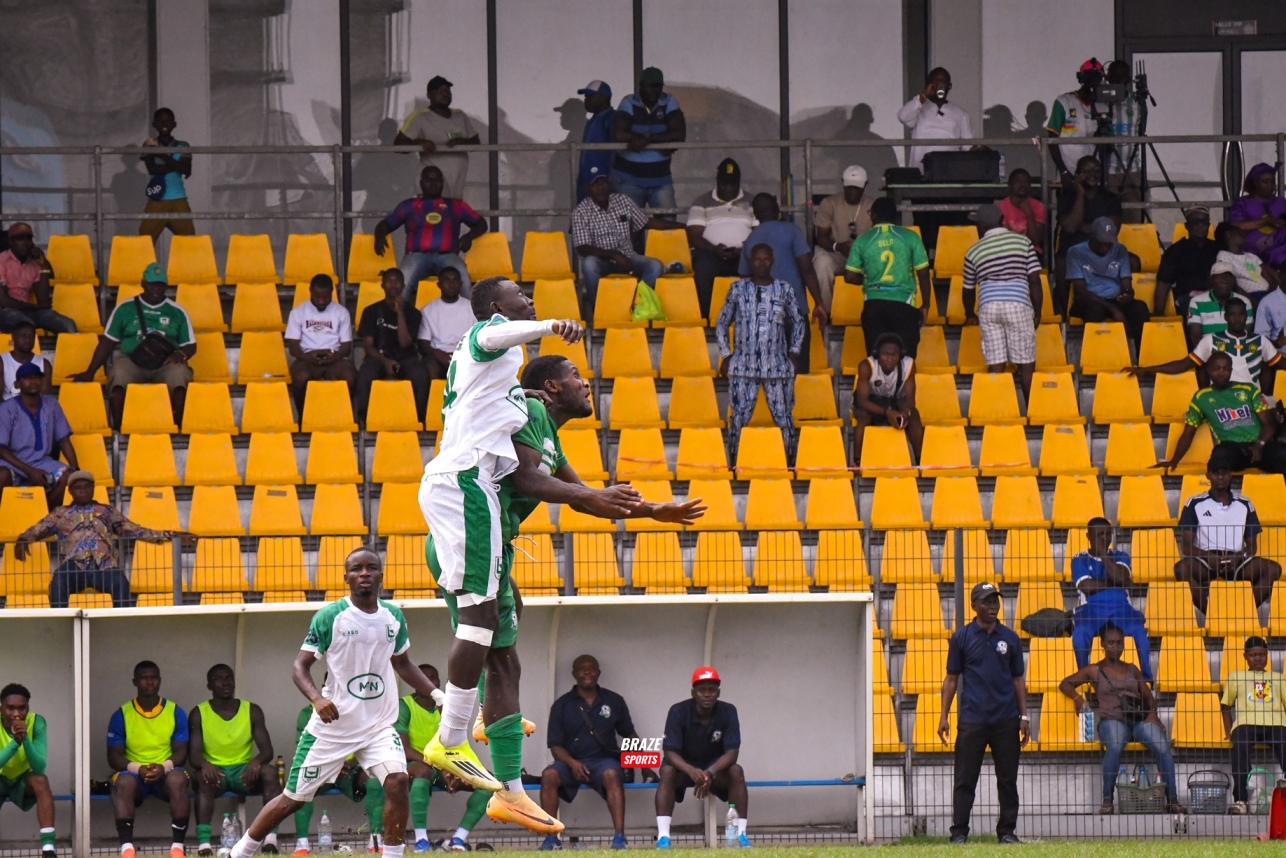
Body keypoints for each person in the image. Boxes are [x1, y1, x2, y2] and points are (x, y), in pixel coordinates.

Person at [423, 354, 698, 847]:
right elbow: (528, 480)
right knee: (496, 651)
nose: (585, 383)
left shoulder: (549, 431)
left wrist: (655, 510)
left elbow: (584, 495)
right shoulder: (530, 411)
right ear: (551, 385)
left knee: (506, 646)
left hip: (490, 542)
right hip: (468, 533)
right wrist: (599, 498)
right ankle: (464, 745)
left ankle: (495, 753)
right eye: (575, 376)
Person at [417, 276, 590, 814]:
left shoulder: (500, 378)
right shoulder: (487, 334)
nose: (528, 297)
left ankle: (490, 748)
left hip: (465, 487)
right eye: (519, 293)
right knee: (481, 621)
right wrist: (548, 326)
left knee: (498, 630)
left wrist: (525, 393)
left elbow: (489, 397)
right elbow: (492, 336)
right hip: (466, 485)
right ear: (496, 306)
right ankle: (450, 738)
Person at [223, 548, 442, 858]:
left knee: (397, 781)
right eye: (357, 569)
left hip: (378, 725)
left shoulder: (393, 617)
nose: (364, 573)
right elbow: (299, 667)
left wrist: (438, 695)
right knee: (293, 799)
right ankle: (240, 852)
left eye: (371, 568)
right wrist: (317, 699)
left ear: (381, 575)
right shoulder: (331, 616)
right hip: (333, 729)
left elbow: (403, 663)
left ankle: (392, 855)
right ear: (346, 577)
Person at [1058, 626, 1183, 815]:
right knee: (1115, 746)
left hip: (1138, 720)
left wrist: (1152, 714)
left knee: (1162, 746)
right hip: (1111, 720)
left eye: (1119, 643)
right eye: (1111, 643)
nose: (1116, 647)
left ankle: (1172, 800)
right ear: (1102, 644)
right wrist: (1078, 699)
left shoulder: (1132, 669)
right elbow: (1065, 683)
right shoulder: (1094, 670)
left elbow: (1149, 698)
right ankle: (1107, 801)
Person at [939, 582, 1028, 845]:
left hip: (1005, 719)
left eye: (995, 601)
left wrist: (1024, 716)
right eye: (986, 602)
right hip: (972, 720)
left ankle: (1007, 832)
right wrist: (944, 716)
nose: (992, 606)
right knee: (965, 780)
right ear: (973, 606)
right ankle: (959, 833)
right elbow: (951, 679)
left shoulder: (1010, 638)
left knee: (1008, 780)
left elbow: (1018, 680)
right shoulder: (961, 638)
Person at [539, 655, 656, 851]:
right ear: (574, 674)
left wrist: (644, 764)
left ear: (598, 672)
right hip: (571, 762)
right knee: (549, 775)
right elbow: (555, 746)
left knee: (612, 774)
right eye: (582, 668)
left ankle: (619, 838)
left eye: (592, 668)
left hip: (603, 761)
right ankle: (551, 838)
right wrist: (572, 764)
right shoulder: (561, 705)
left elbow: (629, 734)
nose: (587, 671)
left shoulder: (614, 700)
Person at [15, 470, 175, 608]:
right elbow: (39, 529)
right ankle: (61, 627)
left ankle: (122, 627)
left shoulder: (107, 511)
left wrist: (168, 535)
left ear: (93, 488)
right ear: (70, 491)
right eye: (78, 487)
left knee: (121, 583)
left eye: (87, 486)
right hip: (74, 565)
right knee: (58, 582)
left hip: (104, 564)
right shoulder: (60, 513)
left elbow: (133, 529)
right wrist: (23, 539)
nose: (83, 490)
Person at [73, 263, 197, 430]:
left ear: (166, 286)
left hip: (165, 363)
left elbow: (191, 345)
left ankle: (177, 426)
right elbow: (107, 342)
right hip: (133, 361)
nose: (156, 289)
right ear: (143, 283)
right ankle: (119, 427)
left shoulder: (177, 311)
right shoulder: (125, 308)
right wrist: (90, 371)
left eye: (160, 285)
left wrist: (180, 354)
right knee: (118, 373)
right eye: (152, 284)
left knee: (180, 374)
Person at [717, 243, 804, 466]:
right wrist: (726, 355)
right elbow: (722, 322)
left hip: (777, 366)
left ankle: (789, 465)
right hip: (743, 367)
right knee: (738, 419)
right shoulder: (737, 289)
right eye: (757, 259)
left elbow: (798, 321)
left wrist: (794, 352)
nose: (762, 263)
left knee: (784, 418)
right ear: (750, 261)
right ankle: (734, 465)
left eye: (766, 259)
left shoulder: (784, 289)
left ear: (772, 261)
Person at [188, 665, 282, 857]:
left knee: (270, 773)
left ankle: (271, 839)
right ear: (209, 685)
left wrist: (256, 762)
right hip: (216, 774)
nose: (225, 682)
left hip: (243, 773)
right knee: (202, 777)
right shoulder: (199, 713)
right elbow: (194, 756)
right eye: (219, 678)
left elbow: (267, 751)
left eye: (229, 677)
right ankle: (204, 845)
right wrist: (205, 764)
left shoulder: (251, 710)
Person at [1174, 448, 1281, 615]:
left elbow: (1252, 546)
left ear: (1230, 475)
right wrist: (1210, 557)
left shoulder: (1245, 503)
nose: (1220, 477)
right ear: (1208, 475)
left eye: (1224, 472)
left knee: (1273, 569)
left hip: (1237, 559)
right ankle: (1211, 614)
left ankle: (1244, 613)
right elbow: (1187, 547)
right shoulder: (1194, 503)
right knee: (1182, 569)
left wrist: (1238, 556)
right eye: (1215, 472)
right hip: (1206, 559)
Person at [655, 667, 749, 849]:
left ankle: (740, 835)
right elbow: (669, 751)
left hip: (715, 769)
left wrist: (709, 772)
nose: (707, 694)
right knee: (666, 771)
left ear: (718, 693)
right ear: (693, 693)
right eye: (702, 690)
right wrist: (691, 771)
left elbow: (732, 753)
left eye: (711, 690)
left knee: (736, 771)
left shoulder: (728, 711)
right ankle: (663, 837)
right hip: (684, 769)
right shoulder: (678, 711)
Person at [107, 660, 191, 858]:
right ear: (135, 682)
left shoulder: (175, 711)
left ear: (160, 680)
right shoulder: (122, 714)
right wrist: (138, 769)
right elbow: (113, 756)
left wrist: (163, 767)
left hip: (166, 772)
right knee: (124, 782)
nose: (150, 682)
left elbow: (181, 752)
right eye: (144, 678)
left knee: (178, 779)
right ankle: (127, 849)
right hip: (134, 773)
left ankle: (177, 848)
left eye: (153, 678)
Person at [961, 203, 1043, 401]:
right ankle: (1031, 410)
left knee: (996, 363)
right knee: (1025, 363)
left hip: (989, 306)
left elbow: (968, 289)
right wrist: (1037, 311)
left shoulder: (973, 251)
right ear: (1001, 220)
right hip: (1017, 304)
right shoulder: (1023, 243)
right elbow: (1034, 280)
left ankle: (997, 410)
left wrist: (970, 313)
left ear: (982, 225)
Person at [1159, 352, 1286, 475]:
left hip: (1261, 445)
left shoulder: (1249, 390)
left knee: (1283, 453)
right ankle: (1220, 491)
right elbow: (1189, 432)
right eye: (1217, 368)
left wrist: (1259, 445)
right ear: (1208, 370)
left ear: (1231, 370)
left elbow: (1269, 424)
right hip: (1233, 449)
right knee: (1219, 457)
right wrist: (1174, 461)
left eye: (1226, 368)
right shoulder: (1201, 398)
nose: (1221, 372)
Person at [741, 193, 829, 372]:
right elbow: (807, 269)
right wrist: (819, 302)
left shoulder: (750, 240)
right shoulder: (792, 230)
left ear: (755, 214)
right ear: (777, 209)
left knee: (771, 371)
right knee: (799, 370)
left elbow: (745, 280)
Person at [374, 165, 487, 303]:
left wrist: (469, 236)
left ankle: (470, 316)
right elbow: (385, 224)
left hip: (448, 256)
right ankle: (398, 316)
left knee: (463, 278)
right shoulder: (409, 206)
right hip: (416, 256)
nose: (433, 184)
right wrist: (379, 236)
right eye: (428, 180)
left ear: (442, 183)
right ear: (421, 183)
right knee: (402, 280)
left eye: (437, 180)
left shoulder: (456, 205)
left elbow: (481, 224)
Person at [288, 699, 385, 855]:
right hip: (321, 767)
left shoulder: (358, 710)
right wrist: (331, 766)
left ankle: (376, 840)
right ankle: (302, 844)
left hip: (349, 768)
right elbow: (304, 750)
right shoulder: (307, 713)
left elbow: (369, 744)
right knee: (302, 784)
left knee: (375, 780)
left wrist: (350, 763)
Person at [571, 174, 684, 306]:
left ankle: (636, 304)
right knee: (589, 264)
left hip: (629, 257)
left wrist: (684, 227)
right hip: (602, 261)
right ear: (587, 188)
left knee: (655, 266)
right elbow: (583, 248)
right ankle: (598, 309)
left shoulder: (623, 201)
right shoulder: (580, 212)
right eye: (596, 184)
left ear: (609, 183)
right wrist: (614, 255)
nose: (601, 187)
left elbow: (646, 222)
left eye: (603, 182)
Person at [1131, 299, 1278, 393]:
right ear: (1225, 317)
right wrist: (1147, 370)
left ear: (1246, 317)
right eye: (1232, 314)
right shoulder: (1211, 340)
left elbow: (1280, 363)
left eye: (1241, 315)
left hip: (1252, 398)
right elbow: (1184, 364)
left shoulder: (1260, 341)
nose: (1237, 319)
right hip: (1222, 398)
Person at [845, 196, 930, 358]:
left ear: (874, 215)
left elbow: (849, 276)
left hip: (873, 304)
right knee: (907, 360)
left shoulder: (862, 240)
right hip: (904, 304)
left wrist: (869, 280)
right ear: (895, 216)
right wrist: (926, 304)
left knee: (876, 358)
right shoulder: (911, 237)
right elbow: (924, 274)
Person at [1069, 518, 1151, 679]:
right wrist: (1117, 582)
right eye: (1099, 534)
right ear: (1088, 536)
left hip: (1121, 608)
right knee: (1080, 634)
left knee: (1139, 632)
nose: (1104, 538)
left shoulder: (1120, 555)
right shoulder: (1079, 559)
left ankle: (1147, 680)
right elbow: (1087, 586)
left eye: (1107, 534)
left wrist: (1104, 556)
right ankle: (1084, 679)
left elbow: (1120, 576)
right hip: (1091, 610)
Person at [1221, 636, 1286, 815]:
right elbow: (1225, 706)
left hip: (1276, 723)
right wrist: (1229, 732)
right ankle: (1241, 800)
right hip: (1246, 723)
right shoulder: (1236, 676)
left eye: (1262, 655)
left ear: (1267, 655)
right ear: (1245, 656)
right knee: (1239, 747)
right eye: (1253, 655)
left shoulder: (1278, 678)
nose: (1258, 658)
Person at [355, 269, 429, 424]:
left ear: (403, 285)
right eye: (389, 281)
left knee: (420, 375)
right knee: (365, 375)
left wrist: (400, 313)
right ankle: (364, 420)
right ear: (382, 285)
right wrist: (385, 361)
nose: (393, 285)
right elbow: (368, 345)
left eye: (397, 281)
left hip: (406, 357)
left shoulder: (413, 313)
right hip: (378, 356)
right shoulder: (371, 311)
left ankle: (419, 420)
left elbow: (405, 342)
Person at [687, 158, 756, 319]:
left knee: (758, 264)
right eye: (724, 184)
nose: (729, 189)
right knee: (703, 268)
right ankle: (706, 319)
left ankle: (751, 318)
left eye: (733, 184)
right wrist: (714, 249)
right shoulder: (702, 201)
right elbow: (693, 236)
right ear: (717, 181)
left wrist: (743, 248)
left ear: (739, 182)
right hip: (711, 253)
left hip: (743, 253)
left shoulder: (752, 201)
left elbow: (760, 232)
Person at [0, 363, 77, 506]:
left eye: (36, 377)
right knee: (1, 476)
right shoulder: (6, 409)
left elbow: (64, 440)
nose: (33, 381)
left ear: (42, 381)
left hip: (43, 462)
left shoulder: (51, 404)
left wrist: (75, 469)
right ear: (18, 384)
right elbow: (1, 449)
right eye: (27, 378)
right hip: (13, 463)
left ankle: (43, 515)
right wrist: (30, 471)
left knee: (69, 478)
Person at [1066, 216, 1150, 346]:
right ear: (1092, 236)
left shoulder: (1120, 250)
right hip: (1090, 299)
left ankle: (1141, 354)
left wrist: (1127, 294)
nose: (1106, 245)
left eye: (1109, 242)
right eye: (1102, 241)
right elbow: (1081, 291)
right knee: (1095, 311)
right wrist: (1113, 310)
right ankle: (1095, 353)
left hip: (1115, 299)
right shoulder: (1075, 252)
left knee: (1140, 308)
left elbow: (1126, 283)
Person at [610, 67, 686, 210]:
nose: (655, 90)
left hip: (660, 180)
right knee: (629, 223)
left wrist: (647, 139)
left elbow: (679, 135)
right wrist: (661, 141)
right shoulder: (629, 101)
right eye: (651, 86)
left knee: (668, 222)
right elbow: (619, 134)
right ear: (641, 85)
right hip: (628, 179)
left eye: (658, 86)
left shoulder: (669, 101)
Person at [1055, 155, 1123, 312]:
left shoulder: (1110, 198)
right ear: (1078, 174)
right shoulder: (1067, 197)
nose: (1092, 174)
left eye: (1096, 170)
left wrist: (1084, 226)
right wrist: (1080, 194)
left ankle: (1118, 306)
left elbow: (1111, 228)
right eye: (1086, 170)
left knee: (1132, 261)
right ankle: (1062, 317)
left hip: (1103, 250)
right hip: (1073, 251)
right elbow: (1070, 227)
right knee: (1062, 264)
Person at [395, 76, 480, 199]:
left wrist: (462, 141)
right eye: (440, 91)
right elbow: (398, 144)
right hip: (431, 186)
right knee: (432, 211)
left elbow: (476, 143)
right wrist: (419, 143)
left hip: (456, 183)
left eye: (447, 90)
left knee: (451, 211)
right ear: (429, 95)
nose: (445, 94)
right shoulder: (419, 117)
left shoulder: (460, 115)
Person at [395, 663, 449, 852]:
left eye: (434, 677)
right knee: (421, 775)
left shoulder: (446, 706)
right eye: (424, 677)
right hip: (414, 764)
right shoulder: (404, 706)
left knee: (486, 783)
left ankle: (459, 839)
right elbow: (404, 749)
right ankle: (421, 840)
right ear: (415, 682)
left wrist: (452, 767)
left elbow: (455, 742)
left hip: (443, 764)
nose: (430, 681)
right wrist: (436, 763)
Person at [284, 274, 354, 416]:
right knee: (300, 377)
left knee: (350, 376)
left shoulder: (341, 312)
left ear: (332, 292)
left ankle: (344, 416)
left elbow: (346, 347)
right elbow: (293, 348)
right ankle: (303, 417)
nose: (321, 301)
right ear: (310, 291)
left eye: (325, 297)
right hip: (306, 358)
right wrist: (308, 357)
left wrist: (335, 356)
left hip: (335, 358)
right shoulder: (297, 312)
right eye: (317, 297)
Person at [0, 683, 55, 857]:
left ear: (28, 708)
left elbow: (39, 767)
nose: (16, 714)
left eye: (21, 708)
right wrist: (15, 743)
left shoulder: (36, 721)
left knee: (40, 780)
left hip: (21, 781)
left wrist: (24, 740)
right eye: (10, 708)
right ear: (1, 709)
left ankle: (48, 850)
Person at [852, 333, 923, 465]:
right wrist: (887, 412)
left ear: (900, 355)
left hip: (896, 399)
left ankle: (920, 461)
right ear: (877, 354)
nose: (889, 359)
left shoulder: (909, 365)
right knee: (863, 417)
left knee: (914, 415)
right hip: (871, 401)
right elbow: (862, 402)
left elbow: (910, 400)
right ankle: (857, 461)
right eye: (885, 354)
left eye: (893, 355)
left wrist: (905, 413)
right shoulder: (866, 366)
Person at [812, 165, 874, 304]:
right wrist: (838, 246)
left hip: (865, 256)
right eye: (849, 187)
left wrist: (861, 252)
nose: (852, 191)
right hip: (837, 254)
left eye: (856, 188)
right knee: (822, 263)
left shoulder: (872, 205)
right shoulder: (829, 203)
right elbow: (820, 237)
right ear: (843, 183)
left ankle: (874, 308)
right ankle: (825, 310)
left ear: (865, 185)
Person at [0, 223, 76, 334]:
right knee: (26, 325)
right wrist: (34, 307)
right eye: (20, 239)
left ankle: (70, 346)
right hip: (5, 313)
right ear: (11, 242)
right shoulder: (2, 261)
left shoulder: (34, 263)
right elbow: (4, 301)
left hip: (29, 312)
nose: (25, 243)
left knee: (69, 325)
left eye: (28, 239)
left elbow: (43, 301)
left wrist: (43, 266)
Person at [897, 67, 974, 170]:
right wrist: (924, 95)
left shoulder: (961, 113)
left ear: (949, 85)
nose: (939, 85)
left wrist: (979, 149)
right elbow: (903, 116)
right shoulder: (918, 108)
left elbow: (968, 145)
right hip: (921, 170)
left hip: (949, 171)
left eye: (943, 81)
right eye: (935, 81)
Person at [1047, 60, 1110, 182]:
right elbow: (1052, 139)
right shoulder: (1064, 101)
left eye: (1096, 77)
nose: (1093, 82)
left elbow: (1109, 143)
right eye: (1089, 77)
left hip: (1094, 175)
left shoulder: (1104, 105)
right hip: (1069, 171)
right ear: (1081, 78)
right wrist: (1063, 171)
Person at [138, 108, 194, 242]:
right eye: (160, 121)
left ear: (174, 124)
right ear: (154, 124)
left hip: (179, 200)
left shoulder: (183, 145)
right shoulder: (149, 144)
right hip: (157, 200)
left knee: (190, 243)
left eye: (168, 121)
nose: (164, 124)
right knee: (144, 242)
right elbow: (152, 169)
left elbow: (187, 170)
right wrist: (177, 166)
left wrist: (162, 155)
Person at [1155, 206, 1219, 317]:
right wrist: (1159, 312)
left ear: (1208, 225)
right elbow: (1164, 283)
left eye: (1204, 222)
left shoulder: (1217, 249)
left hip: (1214, 297)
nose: (1200, 225)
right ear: (1187, 226)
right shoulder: (1175, 251)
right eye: (1195, 222)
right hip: (1187, 298)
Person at [416, 267, 475, 380]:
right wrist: (437, 353)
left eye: (455, 280)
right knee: (430, 366)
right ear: (439, 285)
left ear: (461, 284)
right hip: (438, 356)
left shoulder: (472, 308)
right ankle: (434, 392)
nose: (451, 284)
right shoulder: (428, 310)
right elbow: (423, 343)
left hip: (464, 356)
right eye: (447, 280)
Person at [1103, 60, 1143, 223]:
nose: (1119, 80)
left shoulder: (1137, 103)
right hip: (1107, 170)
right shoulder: (1101, 101)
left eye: (1122, 76)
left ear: (1128, 79)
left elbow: (1141, 130)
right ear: (1108, 78)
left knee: (1134, 219)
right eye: (1115, 77)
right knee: (1108, 222)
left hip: (1133, 170)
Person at [1230, 163, 1286, 270]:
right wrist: (1265, 221)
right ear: (1255, 183)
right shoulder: (1243, 203)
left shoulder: (1282, 202)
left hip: (1280, 255)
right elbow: (1236, 225)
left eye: (1272, 181)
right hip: (1250, 258)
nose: (1270, 185)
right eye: (1265, 182)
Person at [1187, 265, 1255, 346]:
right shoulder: (1196, 302)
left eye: (1228, 276)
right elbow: (1196, 338)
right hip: (1207, 350)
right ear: (1212, 280)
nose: (1224, 280)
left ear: (1234, 280)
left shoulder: (1244, 302)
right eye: (1219, 276)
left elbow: (1246, 335)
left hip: (1236, 349)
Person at [575, 81, 616, 202]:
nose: (586, 100)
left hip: (601, 182)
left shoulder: (611, 117)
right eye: (586, 97)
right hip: (587, 179)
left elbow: (616, 150)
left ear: (603, 97)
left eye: (590, 96)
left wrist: (607, 178)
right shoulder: (592, 120)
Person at [1218, 221, 1280, 301]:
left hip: (1267, 294)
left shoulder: (1251, 256)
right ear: (1228, 234)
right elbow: (1232, 284)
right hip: (1249, 296)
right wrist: (1253, 302)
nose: (1243, 233)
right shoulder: (1224, 255)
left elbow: (1270, 275)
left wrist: (1270, 294)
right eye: (1238, 230)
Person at [996, 169, 1047, 258]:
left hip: (1031, 252)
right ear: (1010, 185)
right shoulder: (1001, 207)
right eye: (1017, 181)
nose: (1022, 184)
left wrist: (1029, 213)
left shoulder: (1038, 206)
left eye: (1026, 181)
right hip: (1008, 251)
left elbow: (1035, 240)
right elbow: (1006, 239)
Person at [1, 321, 51, 400]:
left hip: (35, 407)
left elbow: (45, 399)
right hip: (7, 406)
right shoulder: (2, 362)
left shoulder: (45, 364)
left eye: (31, 336)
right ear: (13, 337)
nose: (27, 339)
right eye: (23, 336)